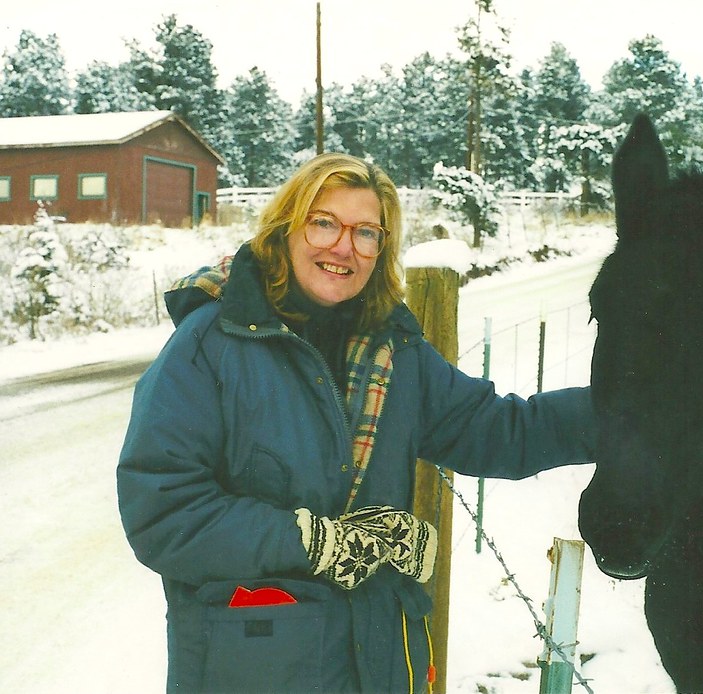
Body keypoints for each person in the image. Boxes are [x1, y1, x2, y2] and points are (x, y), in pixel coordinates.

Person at [116, 152, 596, 693]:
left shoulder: (395, 352)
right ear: (285, 228)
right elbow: (163, 512)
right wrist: (314, 542)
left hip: (380, 660)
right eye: (324, 223)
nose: (343, 247)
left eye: (366, 233)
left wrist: (633, 412)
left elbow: (501, 430)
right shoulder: (212, 343)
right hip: (255, 668)